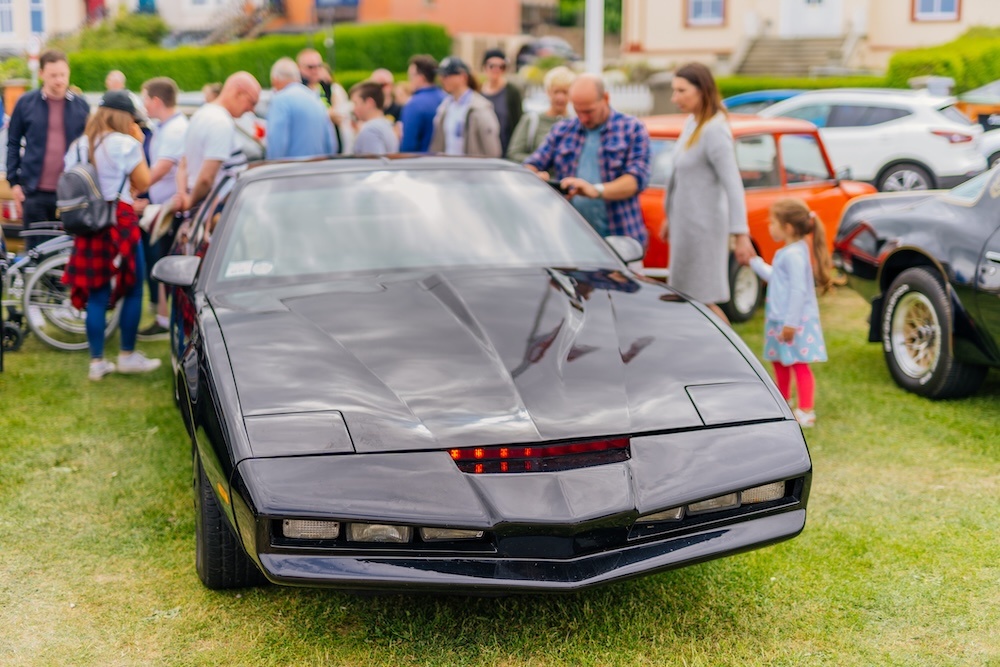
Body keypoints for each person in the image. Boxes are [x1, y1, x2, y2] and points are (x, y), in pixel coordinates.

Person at [61, 91, 160, 380]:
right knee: (133, 286)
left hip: (89, 220)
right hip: (119, 219)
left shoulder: (79, 144)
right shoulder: (126, 143)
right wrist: (139, 145)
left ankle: (97, 362)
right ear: (123, 116)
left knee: (96, 291)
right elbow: (143, 182)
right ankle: (127, 355)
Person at [659, 62, 755, 324]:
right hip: (686, 226)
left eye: (681, 91)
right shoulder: (693, 123)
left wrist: (741, 234)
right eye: (673, 90)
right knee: (686, 296)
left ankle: (730, 356)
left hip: (704, 229)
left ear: (702, 90)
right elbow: (680, 175)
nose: (674, 98)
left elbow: (733, 184)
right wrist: (670, 217)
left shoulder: (714, 130)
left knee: (702, 299)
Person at [524, 73, 651, 246]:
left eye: (589, 111)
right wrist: (535, 178)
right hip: (572, 240)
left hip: (622, 241)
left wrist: (595, 190)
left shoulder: (631, 128)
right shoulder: (562, 130)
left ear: (605, 98)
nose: (583, 118)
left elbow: (636, 180)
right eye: (577, 110)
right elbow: (531, 164)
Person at [746, 198, 831, 427]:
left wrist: (791, 324)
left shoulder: (794, 254)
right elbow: (776, 278)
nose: (769, 227)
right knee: (780, 362)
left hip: (793, 323)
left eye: (772, 222)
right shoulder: (789, 251)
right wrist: (754, 263)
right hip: (779, 320)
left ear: (788, 227)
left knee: (798, 364)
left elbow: (798, 290)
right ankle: (783, 402)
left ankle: (806, 411)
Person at [6, 50, 90, 249]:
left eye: (63, 75)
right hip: (34, 191)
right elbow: (13, 142)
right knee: (36, 249)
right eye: (53, 75)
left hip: (70, 192)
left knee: (67, 250)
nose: (59, 80)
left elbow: (89, 148)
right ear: (42, 73)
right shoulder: (26, 103)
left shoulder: (81, 106)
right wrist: (14, 182)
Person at [134, 76, 188, 340]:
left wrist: (136, 188)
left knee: (168, 264)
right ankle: (164, 319)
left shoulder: (176, 129)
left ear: (156, 101)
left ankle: (168, 320)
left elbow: (163, 167)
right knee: (163, 262)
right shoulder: (165, 127)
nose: (143, 105)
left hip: (173, 211)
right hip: (162, 206)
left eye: (144, 99)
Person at [178, 71, 261, 216]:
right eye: (252, 102)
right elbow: (206, 178)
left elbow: (184, 164)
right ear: (238, 92)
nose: (251, 110)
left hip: (199, 207)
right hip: (213, 212)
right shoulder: (221, 123)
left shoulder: (201, 114)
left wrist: (184, 196)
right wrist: (190, 201)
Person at [429, 57, 502, 158]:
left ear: (463, 76)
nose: (442, 79)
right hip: (447, 169)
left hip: (471, 170)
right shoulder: (445, 106)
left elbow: (492, 150)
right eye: (441, 75)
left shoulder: (480, 108)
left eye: (447, 75)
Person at [266, 57, 337, 159]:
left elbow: (277, 143)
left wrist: (271, 167)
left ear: (275, 80)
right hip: (319, 168)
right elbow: (331, 143)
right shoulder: (315, 98)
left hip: (291, 171)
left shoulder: (280, 99)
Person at [506, 65, 575, 163]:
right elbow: (514, 154)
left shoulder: (576, 123)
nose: (560, 97)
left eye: (565, 92)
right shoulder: (532, 121)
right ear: (548, 92)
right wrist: (538, 164)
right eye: (556, 92)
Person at [479, 48, 523, 156]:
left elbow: (519, 124)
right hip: (482, 153)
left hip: (506, 153)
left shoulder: (512, 92)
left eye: (501, 67)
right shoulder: (478, 93)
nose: (496, 70)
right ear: (484, 67)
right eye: (492, 66)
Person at [399, 54, 446, 153]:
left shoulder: (414, 104)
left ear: (421, 77)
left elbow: (408, 145)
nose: (409, 80)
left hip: (421, 163)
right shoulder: (447, 99)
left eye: (411, 76)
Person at [349, 80, 400, 155]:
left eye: (356, 103)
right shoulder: (387, 124)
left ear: (369, 103)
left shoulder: (371, 130)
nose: (354, 108)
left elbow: (374, 164)